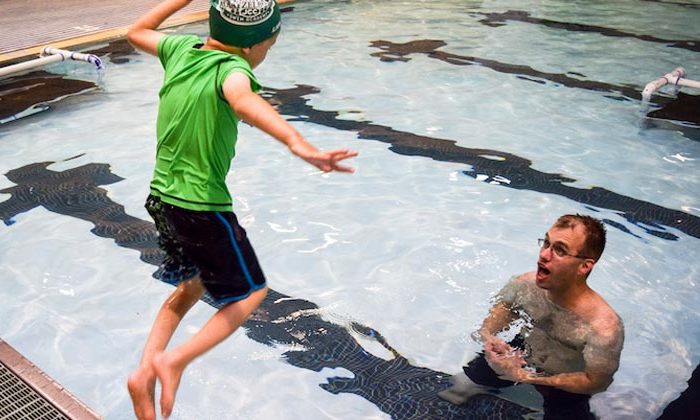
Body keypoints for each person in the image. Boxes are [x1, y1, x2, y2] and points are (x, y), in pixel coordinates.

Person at [125, 1, 357, 419]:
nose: (268, 49)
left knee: (190, 288)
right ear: (253, 46)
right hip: (201, 205)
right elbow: (244, 101)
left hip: (162, 197)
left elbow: (136, 31)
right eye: (270, 41)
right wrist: (298, 144)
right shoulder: (233, 70)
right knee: (251, 294)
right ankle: (171, 362)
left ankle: (144, 373)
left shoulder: (181, 51)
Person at [439, 214, 624, 420]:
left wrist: (527, 378)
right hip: (520, 353)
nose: (544, 255)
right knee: (459, 388)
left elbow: (597, 382)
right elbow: (497, 318)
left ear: (584, 266)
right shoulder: (525, 286)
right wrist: (490, 340)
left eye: (559, 250)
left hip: (564, 381)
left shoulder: (603, 327)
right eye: (546, 242)